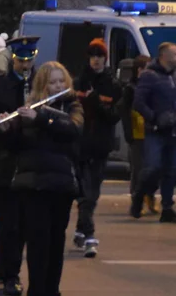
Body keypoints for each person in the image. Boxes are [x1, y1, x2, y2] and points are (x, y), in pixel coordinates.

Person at [1, 61, 82, 296]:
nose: (58, 85)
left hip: (60, 183)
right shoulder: (29, 108)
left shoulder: (72, 106)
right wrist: (4, 130)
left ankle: (51, 289)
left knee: (56, 239)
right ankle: (36, 295)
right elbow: (17, 147)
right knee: (37, 240)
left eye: (61, 81)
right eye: (53, 82)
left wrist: (42, 117)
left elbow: (73, 129)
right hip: (33, 184)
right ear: (42, 85)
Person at [0, 36, 39, 296]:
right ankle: (10, 273)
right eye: (21, 60)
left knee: (26, 224)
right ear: (13, 58)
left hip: (33, 164)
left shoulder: (42, 85)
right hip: (5, 162)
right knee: (9, 223)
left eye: (29, 60)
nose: (25, 65)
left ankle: (8, 267)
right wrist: (3, 127)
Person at [72, 38, 123, 257]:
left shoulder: (112, 85)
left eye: (99, 56)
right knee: (85, 191)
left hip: (100, 144)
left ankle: (82, 229)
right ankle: (89, 234)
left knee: (92, 191)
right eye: (92, 56)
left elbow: (113, 117)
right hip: (79, 144)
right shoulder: (79, 82)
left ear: (105, 58)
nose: (95, 60)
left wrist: (95, 102)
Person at [132, 41, 176, 222]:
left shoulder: (174, 75)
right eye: (174, 54)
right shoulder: (150, 76)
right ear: (164, 56)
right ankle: (139, 195)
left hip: (173, 130)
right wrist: (154, 118)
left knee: (171, 170)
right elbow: (138, 102)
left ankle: (167, 207)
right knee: (153, 167)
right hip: (155, 131)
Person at [122, 56, 157, 214]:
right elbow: (125, 112)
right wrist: (128, 132)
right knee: (138, 169)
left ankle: (150, 197)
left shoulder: (153, 86)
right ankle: (137, 200)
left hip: (151, 132)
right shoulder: (130, 88)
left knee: (152, 168)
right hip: (137, 133)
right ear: (139, 70)